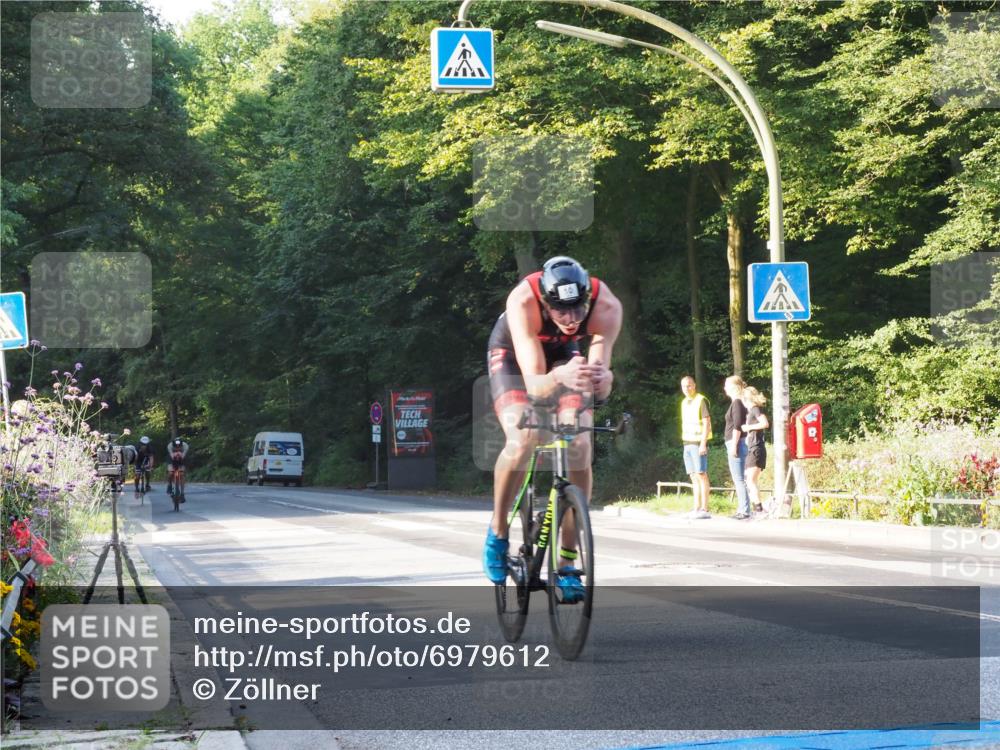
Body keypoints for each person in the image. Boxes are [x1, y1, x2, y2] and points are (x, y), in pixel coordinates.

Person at [485, 256, 622, 601]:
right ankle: (498, 530)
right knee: (524, 436)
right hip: (514, 358)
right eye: (561, 310)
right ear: (546, 302)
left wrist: (604, 380)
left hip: (565, 355)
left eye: (578, 309)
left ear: (587, 299)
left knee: (581, 445)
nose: (572, 318)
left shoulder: (606, 305)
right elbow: (534, 386)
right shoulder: (523, 302)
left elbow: (597, 381)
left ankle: (568, 562)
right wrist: (558, 376)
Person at [679, 376, 712, 519]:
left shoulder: (701, 400)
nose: (686, 389)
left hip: (698, 442)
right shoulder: (684, 402)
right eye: (684, 386)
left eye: (689, 385)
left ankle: (705, 508)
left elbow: (706, 423)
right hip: (687, 442)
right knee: (693, 476)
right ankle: (696, 508)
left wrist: (703, 443)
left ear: (694, 385)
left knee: (701, 474)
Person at [723, 375, 751, 519]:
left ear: (734, 387)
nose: (724, 388)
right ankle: (743, 509)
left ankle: (744, 510)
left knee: (739, 478)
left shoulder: (737, 403)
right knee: (739, 478)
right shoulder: (738, 403)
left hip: (737, 442)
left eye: (726, 385)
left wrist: (734, 445)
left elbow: (738, 426)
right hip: (736, 442)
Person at [741, 387, 769, 516]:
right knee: (749, 480)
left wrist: (748, 427)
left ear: (746, 399)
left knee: (750, 480)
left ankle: (759, 510)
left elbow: (765, 423)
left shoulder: (755, 409)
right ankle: (757, 508)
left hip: (757, 448)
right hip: (753, 447)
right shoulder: (751, 411)